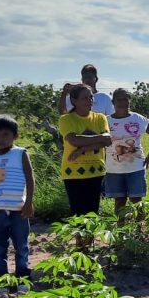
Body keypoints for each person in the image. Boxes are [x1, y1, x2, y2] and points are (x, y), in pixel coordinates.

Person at [0, 115, 34, 295]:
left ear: (15, 136)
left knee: (21, 246)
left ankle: (22, 278)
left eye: (5, 134)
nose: (0, 138)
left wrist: (28, 203)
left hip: (18, 210)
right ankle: (1, 280)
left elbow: (30, 178)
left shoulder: (20, 153)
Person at [104, 88, 149, 219]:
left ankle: (139, 230)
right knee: (119, 201)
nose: (123, 102)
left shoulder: (138, 118)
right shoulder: (106, 121)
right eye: (119, 99)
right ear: (113, 102)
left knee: (137, 201)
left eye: (126, 99)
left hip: (136, 167)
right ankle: (120, 230)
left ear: (130, 101)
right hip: (113, 169)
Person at [59, 84, 111, 218]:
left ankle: (89, 240)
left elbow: (108, 141)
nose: (90, 101)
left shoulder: (100, 118)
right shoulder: (66, 119)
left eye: (91, 97)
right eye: (85, 98)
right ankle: (80, 240)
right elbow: (74, 140)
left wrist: (81, 149)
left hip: (96, 171)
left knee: (93, 213)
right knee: (77, 214)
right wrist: (99, 137)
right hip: (73, 173)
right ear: (74, 101)